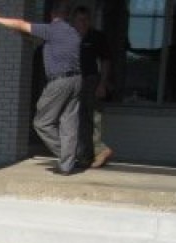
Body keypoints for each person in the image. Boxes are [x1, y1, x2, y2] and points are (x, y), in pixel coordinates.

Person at [0, 0, 84, 175]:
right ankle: (67, 164)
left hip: (60, 82)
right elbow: (46, 45)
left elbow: (21, 24)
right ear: (68, 16)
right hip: (76, 80)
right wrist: (23, 35)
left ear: (52, 15)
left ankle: (68, 155)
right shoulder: (72, 33)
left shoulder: (52, 29)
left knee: (42, 122)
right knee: (68, 123)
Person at [73, 5, 114, 168]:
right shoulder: (70, 36)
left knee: (93, 117)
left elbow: (106, 61)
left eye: (85, 19)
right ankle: (85, 157)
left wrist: (102, 84)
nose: (83, 23)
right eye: (79, 19)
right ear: (73, 20)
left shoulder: (96, 37)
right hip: (74, 82)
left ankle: (100, 150)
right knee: (79, 120)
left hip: (91, 81)